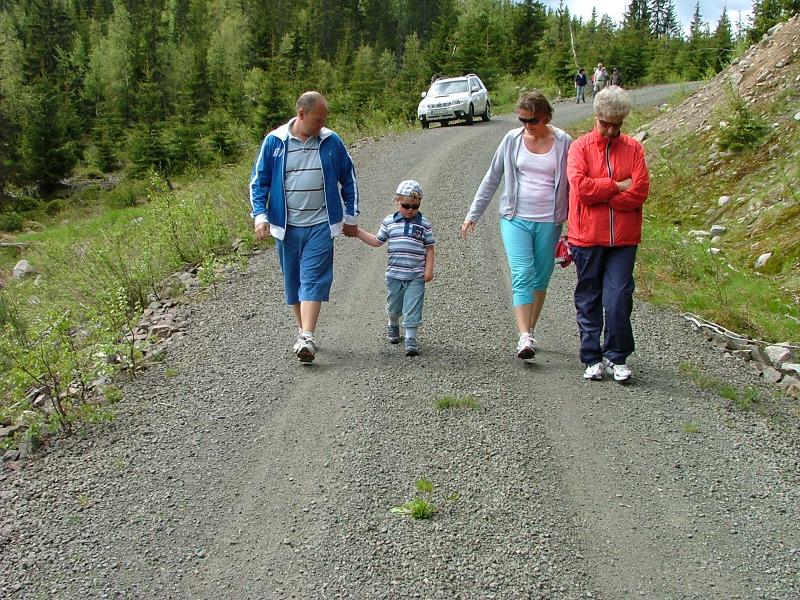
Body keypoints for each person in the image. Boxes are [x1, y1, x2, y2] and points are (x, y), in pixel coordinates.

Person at [249, 91, 360, 364]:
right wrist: (260, 216)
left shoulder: (331, 141)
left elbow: (349, 178)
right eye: (317, 120)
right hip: (286, 227)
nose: (322, 125)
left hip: (321, 224)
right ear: (301, 114)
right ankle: (304, 336)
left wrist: (351, 216)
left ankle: (307, 336)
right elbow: (259, 182)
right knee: (294, 283)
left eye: (324, 120)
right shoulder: (275, 142)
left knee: (313, 279)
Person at [462, 91, 572, 360]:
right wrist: (473, 214)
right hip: (515, 217)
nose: (527, 125)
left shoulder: (564, 142)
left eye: (532, 120)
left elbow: (575, 183)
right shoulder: (511, 140)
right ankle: (524, 336)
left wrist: (577, 223)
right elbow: (492, 178)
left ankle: (530, 330)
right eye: (522, 120)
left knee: (541, 276)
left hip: (549, 220)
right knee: (522, 272)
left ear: (545, 117)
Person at [566, 86, 650, 382]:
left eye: (618, 125)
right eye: (606, 124)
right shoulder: (579, 148)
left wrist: (606, 195)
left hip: (624, 239)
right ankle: (591, 357)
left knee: (618, 297)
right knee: (589, 296)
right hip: (587, 237)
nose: (612, 130)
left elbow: (639, 191)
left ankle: (617, 356)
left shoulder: (634, 149)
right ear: (596, 117)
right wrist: (617, 185)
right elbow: (582, 189)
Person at [355, 180, 435, 357]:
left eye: (415, 206)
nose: (410, 210)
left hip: (415, 275)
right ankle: (393, 323)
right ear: (396, 201)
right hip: (394, 274)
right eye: (405, 205)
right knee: (394, 305)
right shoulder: (389, 222)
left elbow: (429, 247)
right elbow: (377, 241)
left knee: (413, 306)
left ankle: (411, 338)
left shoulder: (424, 224)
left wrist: (428, 270)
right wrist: (358, 232)